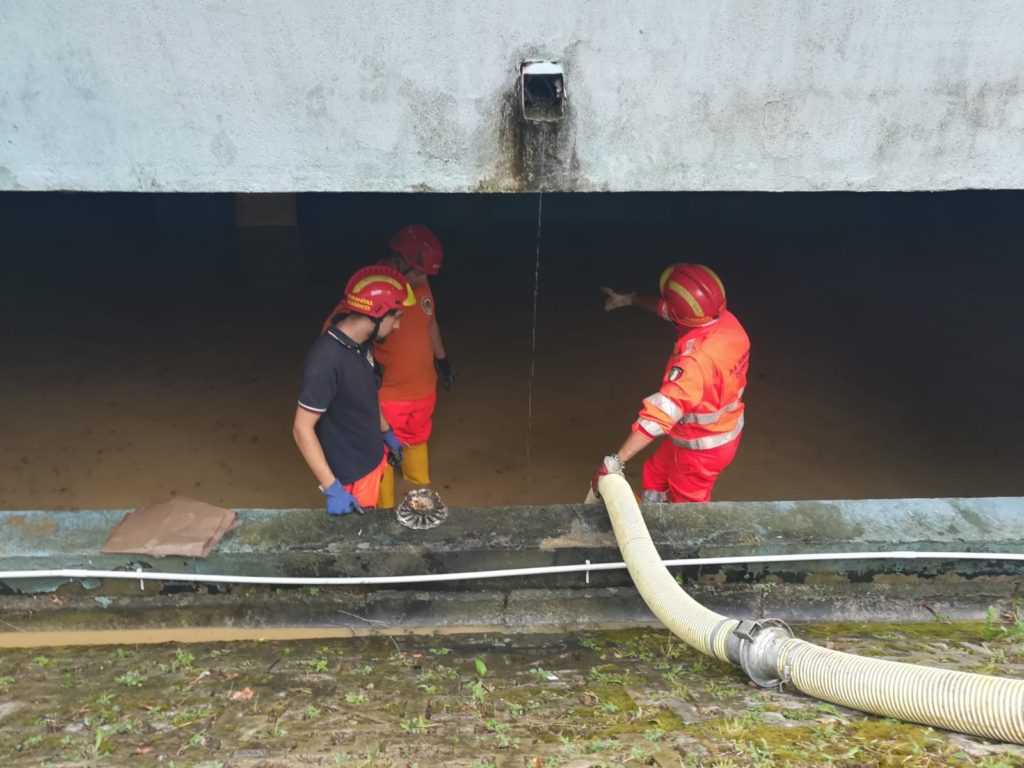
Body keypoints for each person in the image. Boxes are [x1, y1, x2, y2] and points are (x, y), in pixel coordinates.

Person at [592, 263, 749, 503]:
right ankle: (650, 514)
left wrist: (614, 461)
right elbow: (670, 310)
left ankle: (677, 536)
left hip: (700, 449)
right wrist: (628, 300)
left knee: (687, 507)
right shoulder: (726, 323)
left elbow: (657, 417)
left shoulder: (695, 362)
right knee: (654, 474)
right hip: (711, 434)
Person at [322, 225, 453, 509]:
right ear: (399, 261)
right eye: (419, 272)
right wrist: (361, 366)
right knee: (381, 454)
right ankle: (383, 513)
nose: (423, 279)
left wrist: (443, 361)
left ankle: (420, 496)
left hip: (422, 389)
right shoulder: (373, 288)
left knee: (418, 438)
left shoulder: (421, 284)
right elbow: (335, 332)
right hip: (388, 395)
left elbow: (430, 324)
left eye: (427, 274)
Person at [294, 265, 416, 515]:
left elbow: (369, 392)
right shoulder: (325, 361)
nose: (397, 327)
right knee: (357, 545)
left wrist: (386, 432)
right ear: (378, 313)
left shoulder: (363, 344)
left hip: (372, 458)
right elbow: (301, 428)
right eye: (397, 317)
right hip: (351, 476)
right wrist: (332, 487)